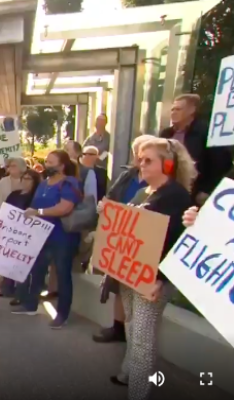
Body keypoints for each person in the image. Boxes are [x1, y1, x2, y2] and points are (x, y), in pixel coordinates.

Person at [104, 138, 195, 400]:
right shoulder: (144, 193)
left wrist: (161, 279)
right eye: (140, 159)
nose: (140, 165)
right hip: (130, 273)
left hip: (152, 280)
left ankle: (138, 392)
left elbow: (178, 245)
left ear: (167, 164)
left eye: (148, 160)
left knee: (143, 337)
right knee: (133, 326)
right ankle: (128, 374)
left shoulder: (176, 196)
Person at [91, 134, 154, 344]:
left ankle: (134, 333)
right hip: (122, 232)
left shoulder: (159, 182)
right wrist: (105, 206)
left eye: (144, 154)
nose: (138, 158)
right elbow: (111, 195)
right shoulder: (127, 176)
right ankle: (118, 327)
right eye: (136, 153)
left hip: (144, 237)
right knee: (118, 282)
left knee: (137, 286)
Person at [13, 150, 82, 329]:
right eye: (47, 161)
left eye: (51, 162)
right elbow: (34, 206)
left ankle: (62, 314)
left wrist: (40, 212)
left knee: (62, 274)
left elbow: (65, 207)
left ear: (62, 165)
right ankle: (30, 305)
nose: (47, 165)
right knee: (37, 270)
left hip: (62, 237)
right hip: (41, 236)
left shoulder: (70, 183)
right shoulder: (43, 184)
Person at [159, 93, 231, 206]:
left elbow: (221, 164)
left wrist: (207, 190)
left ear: (191, 110)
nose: (173, 112)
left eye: (178, 109)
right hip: (167, 190)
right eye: (172, 109)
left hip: (193, 194)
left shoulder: (206, 134)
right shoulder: (166, 133)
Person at [0, 169, 41, 297]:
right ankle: (7, 288)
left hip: (26, 234)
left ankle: (21, 292)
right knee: (8, 259)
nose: (25, 181)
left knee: (22, 263)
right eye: (24, 178)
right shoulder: (14, 194)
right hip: (11, 231)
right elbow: (6, 210)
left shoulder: (35, 197)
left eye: (28, 179)